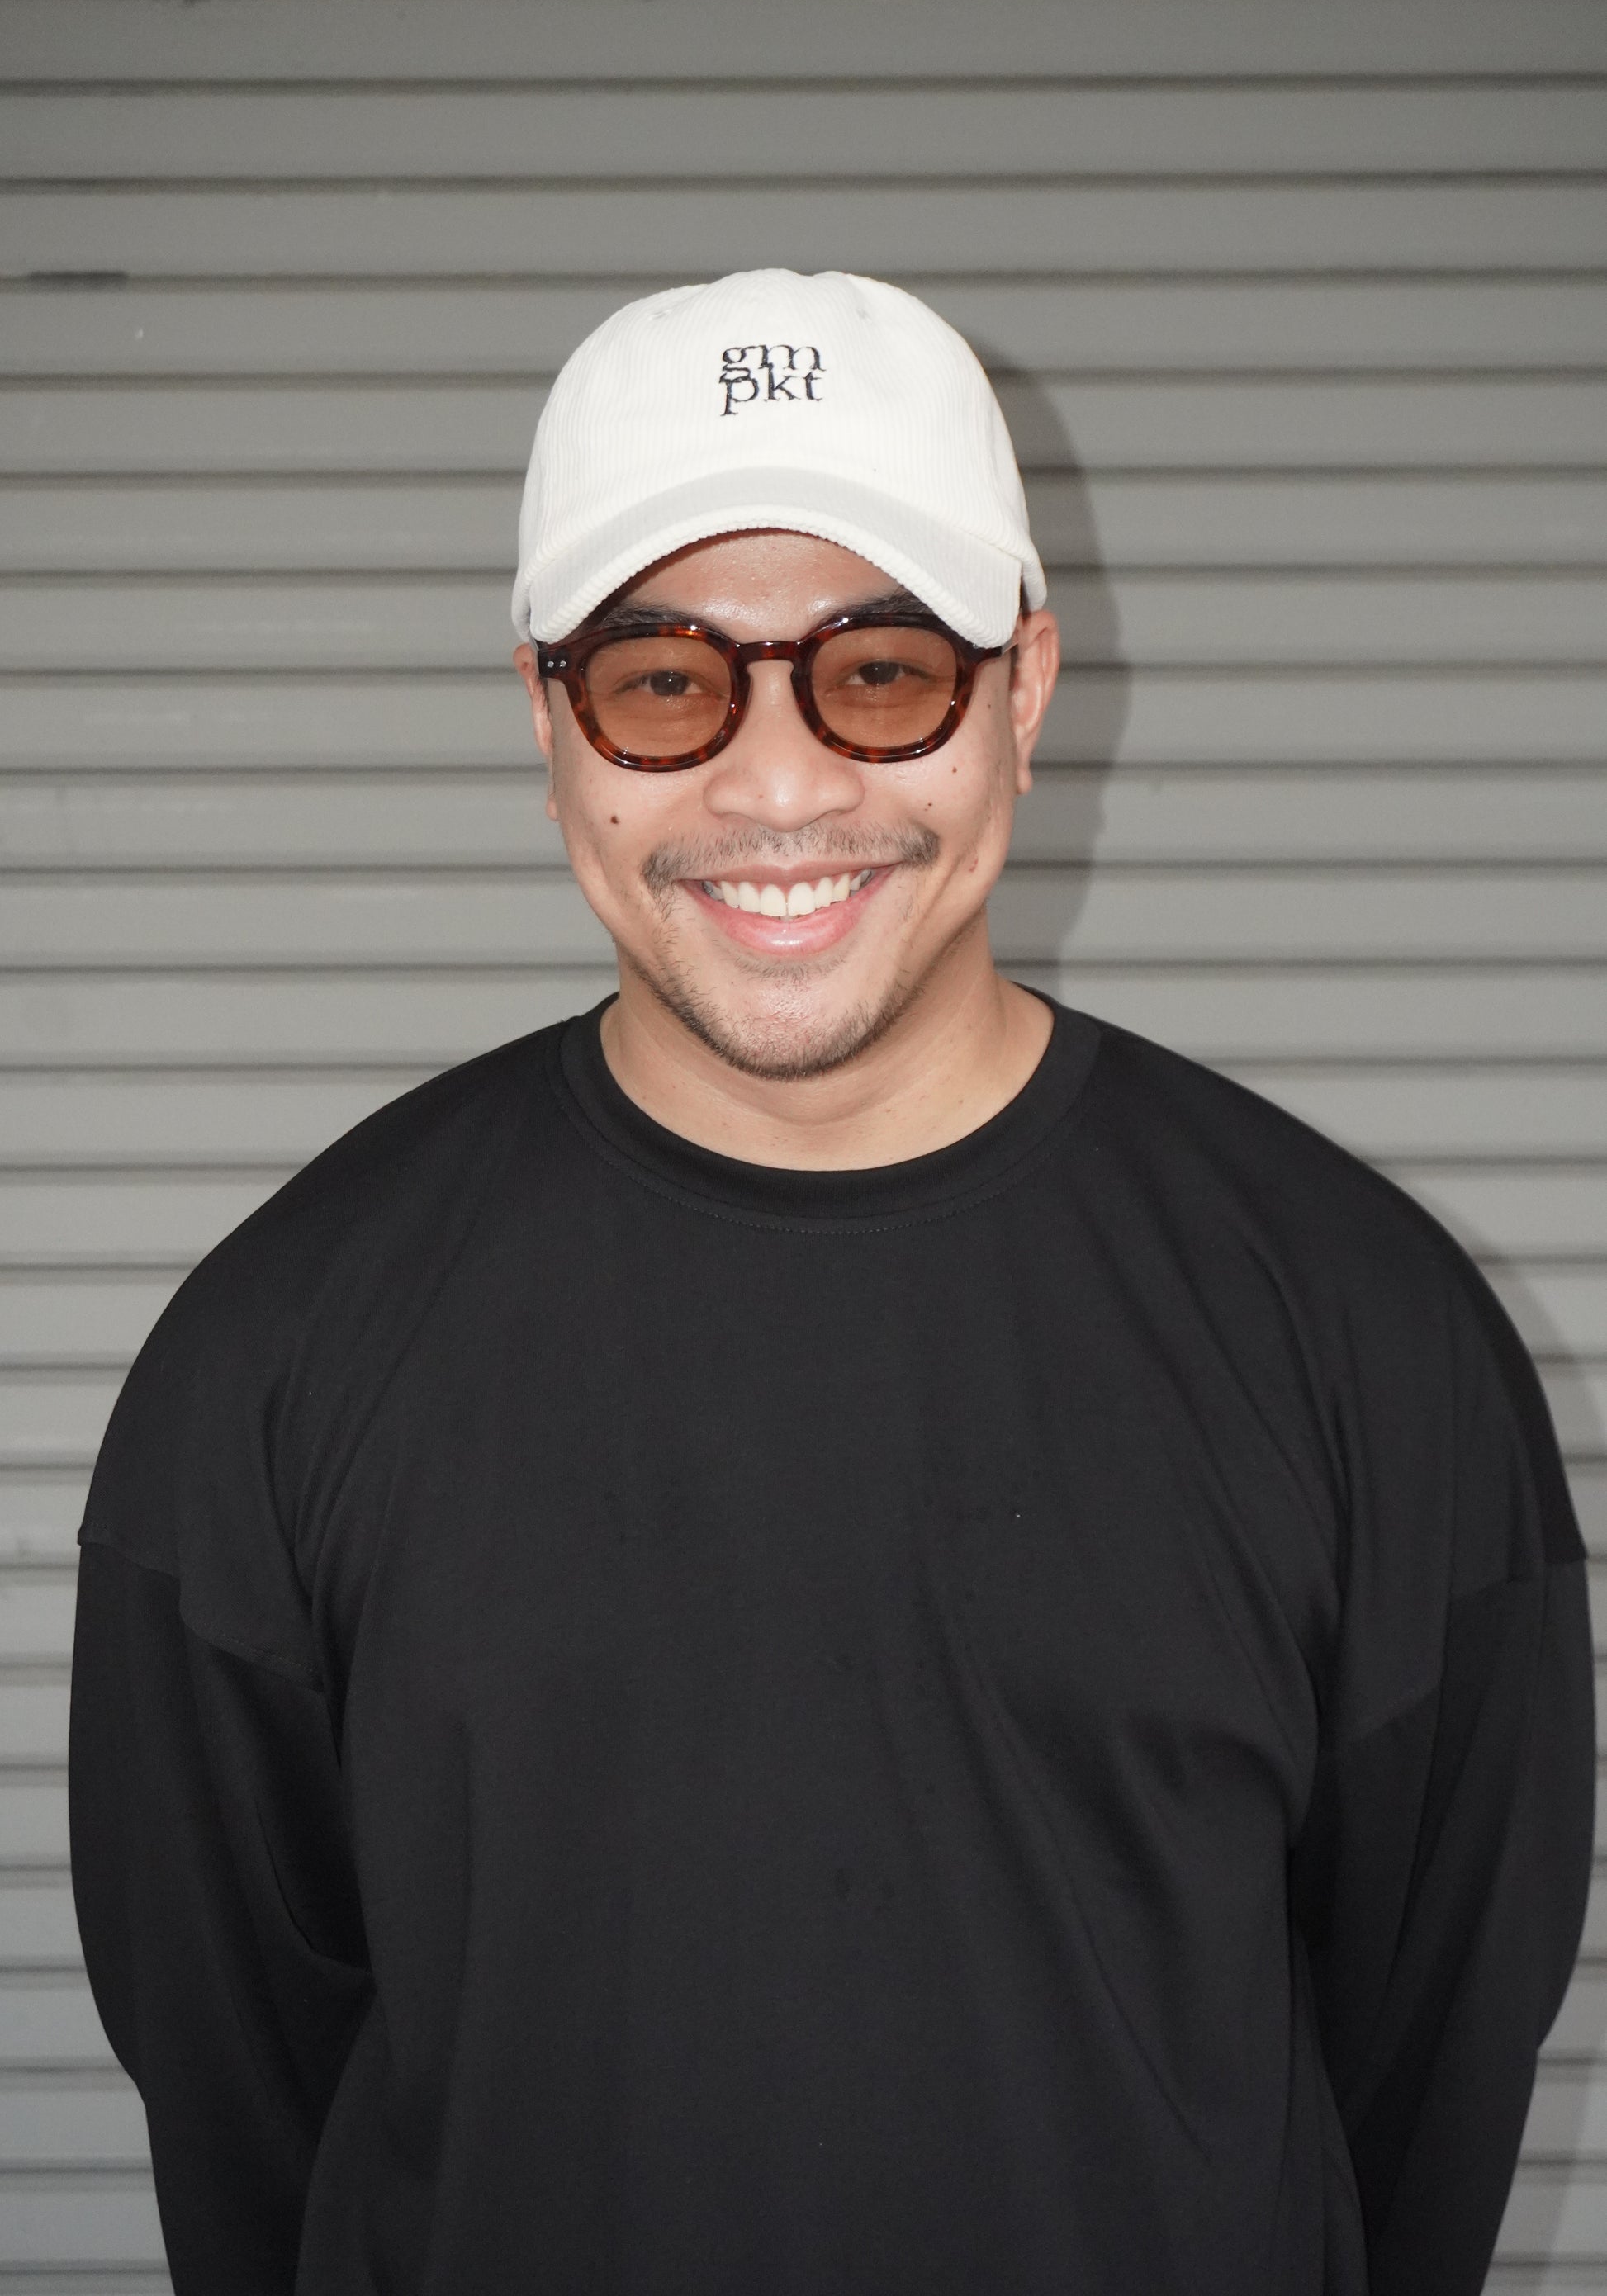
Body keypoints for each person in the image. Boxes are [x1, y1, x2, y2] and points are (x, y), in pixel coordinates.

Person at [69, 269, 1592, 2296]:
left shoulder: (1367, 1342)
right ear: (545, 719)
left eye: (879, 672)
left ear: (1025, 691)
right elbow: (245, 2103)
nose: (778, 788)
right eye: (663, 680)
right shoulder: (271, 1363)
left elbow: (1419, 2086)